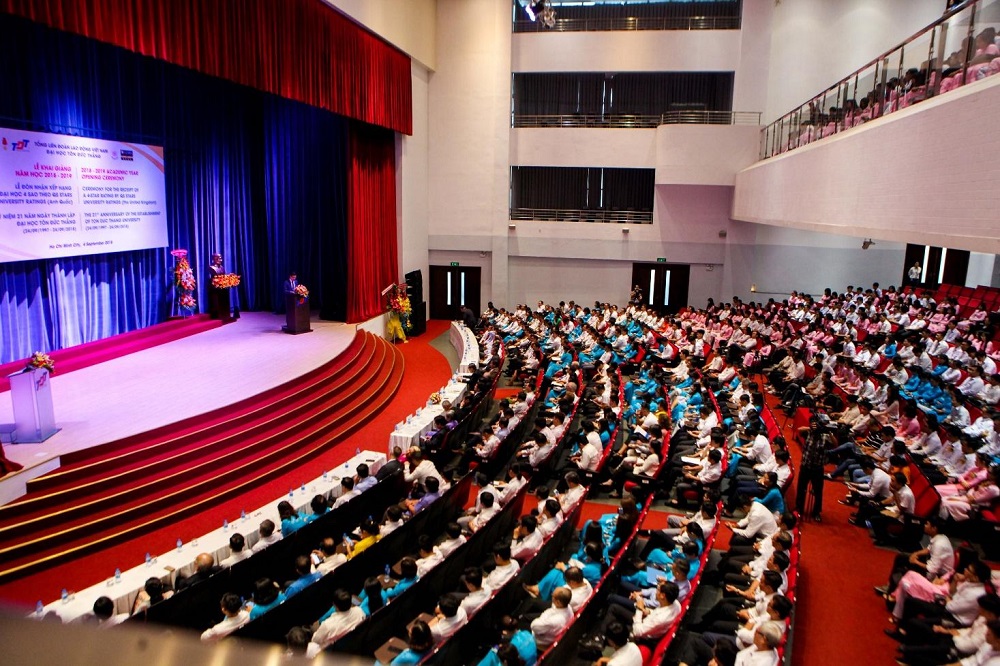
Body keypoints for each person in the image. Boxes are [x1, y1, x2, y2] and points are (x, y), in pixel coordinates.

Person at [306, 588, 365, 658]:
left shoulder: (327, 625)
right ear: (351, 601)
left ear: (334, 605)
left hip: (333, 654)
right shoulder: (360, 611)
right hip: (354, 646)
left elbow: (315, 640)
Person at [796, 417, 832, 521]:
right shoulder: (808, 432)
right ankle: (799, 508)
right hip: (805, 466)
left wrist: (826, 430)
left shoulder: (825, 436)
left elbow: (835, 443)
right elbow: (799, 429)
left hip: (817, 468)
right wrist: (810, 428)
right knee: (801, 489)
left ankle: (816, 512)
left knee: (817, 491)